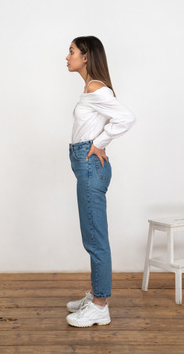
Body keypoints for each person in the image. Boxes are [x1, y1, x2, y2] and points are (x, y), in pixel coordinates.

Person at [65, 36, 136, 327]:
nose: (66, 56)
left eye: (71, 51)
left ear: (86, 56)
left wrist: (100, 142)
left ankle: (100, 305)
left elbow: (126, 118)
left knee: (95, 239)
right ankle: (96, 295)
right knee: (91, 236)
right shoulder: (90, 88)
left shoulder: (96, 88)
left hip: (91, 166)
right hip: (87, 165)